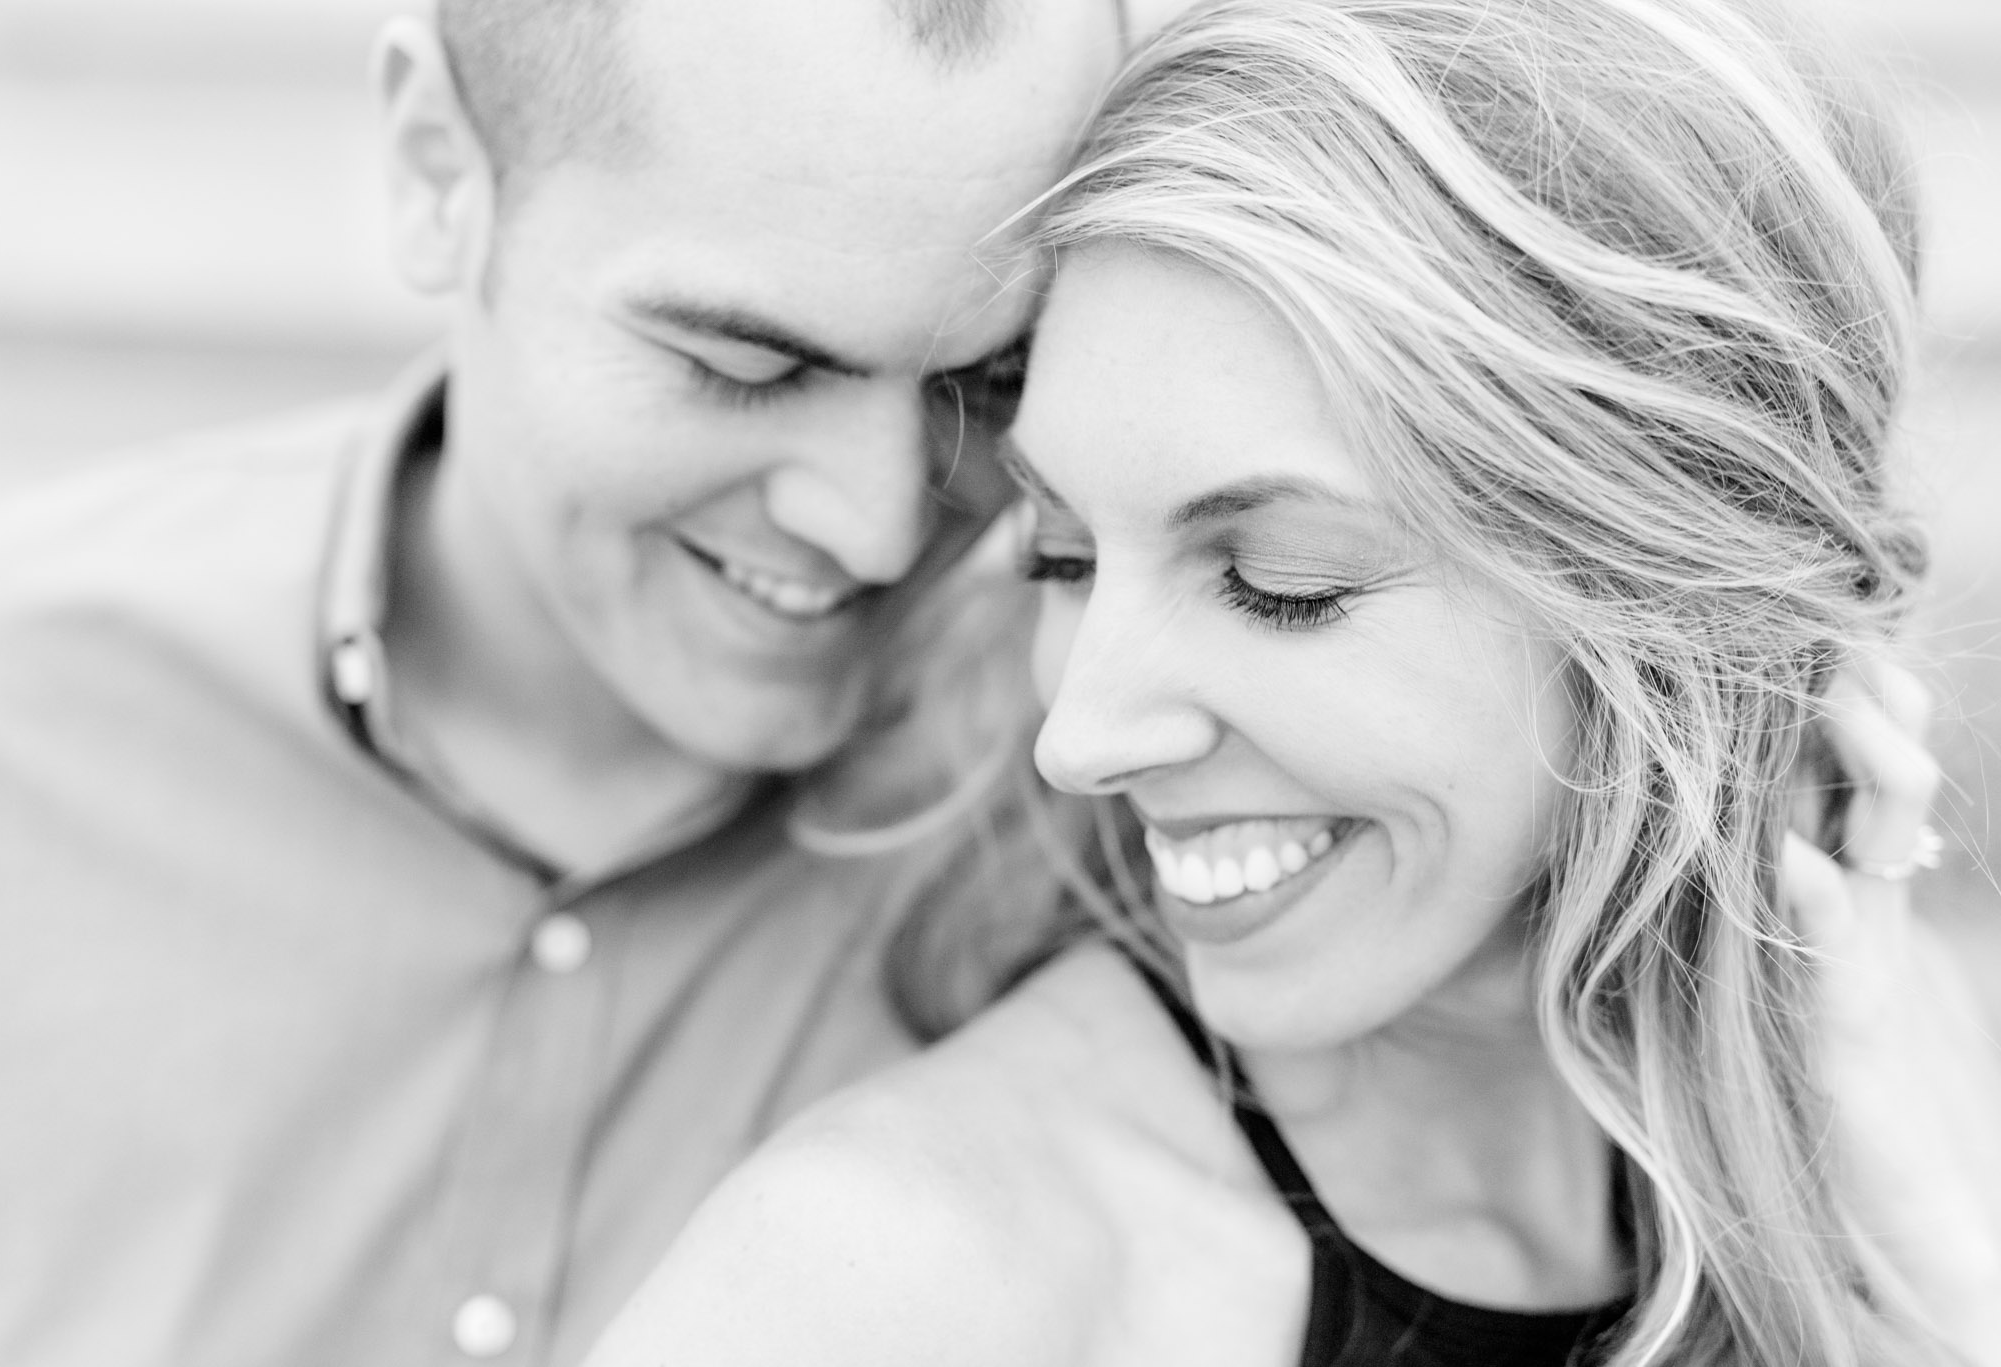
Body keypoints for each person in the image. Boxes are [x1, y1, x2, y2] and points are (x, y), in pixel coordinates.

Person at [583, 0, 2001, 1362]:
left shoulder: (1903, 1089)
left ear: (1669, 609)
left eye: (1278, 581)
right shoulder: (894, 1278)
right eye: (1063, 556)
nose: (1080, 740)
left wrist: (1934, 1267)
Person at [0, 1, 1123, 1362]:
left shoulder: (1107, 804)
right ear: (440, 169)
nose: (879, 525)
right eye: (746, 369)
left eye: (992, 378)